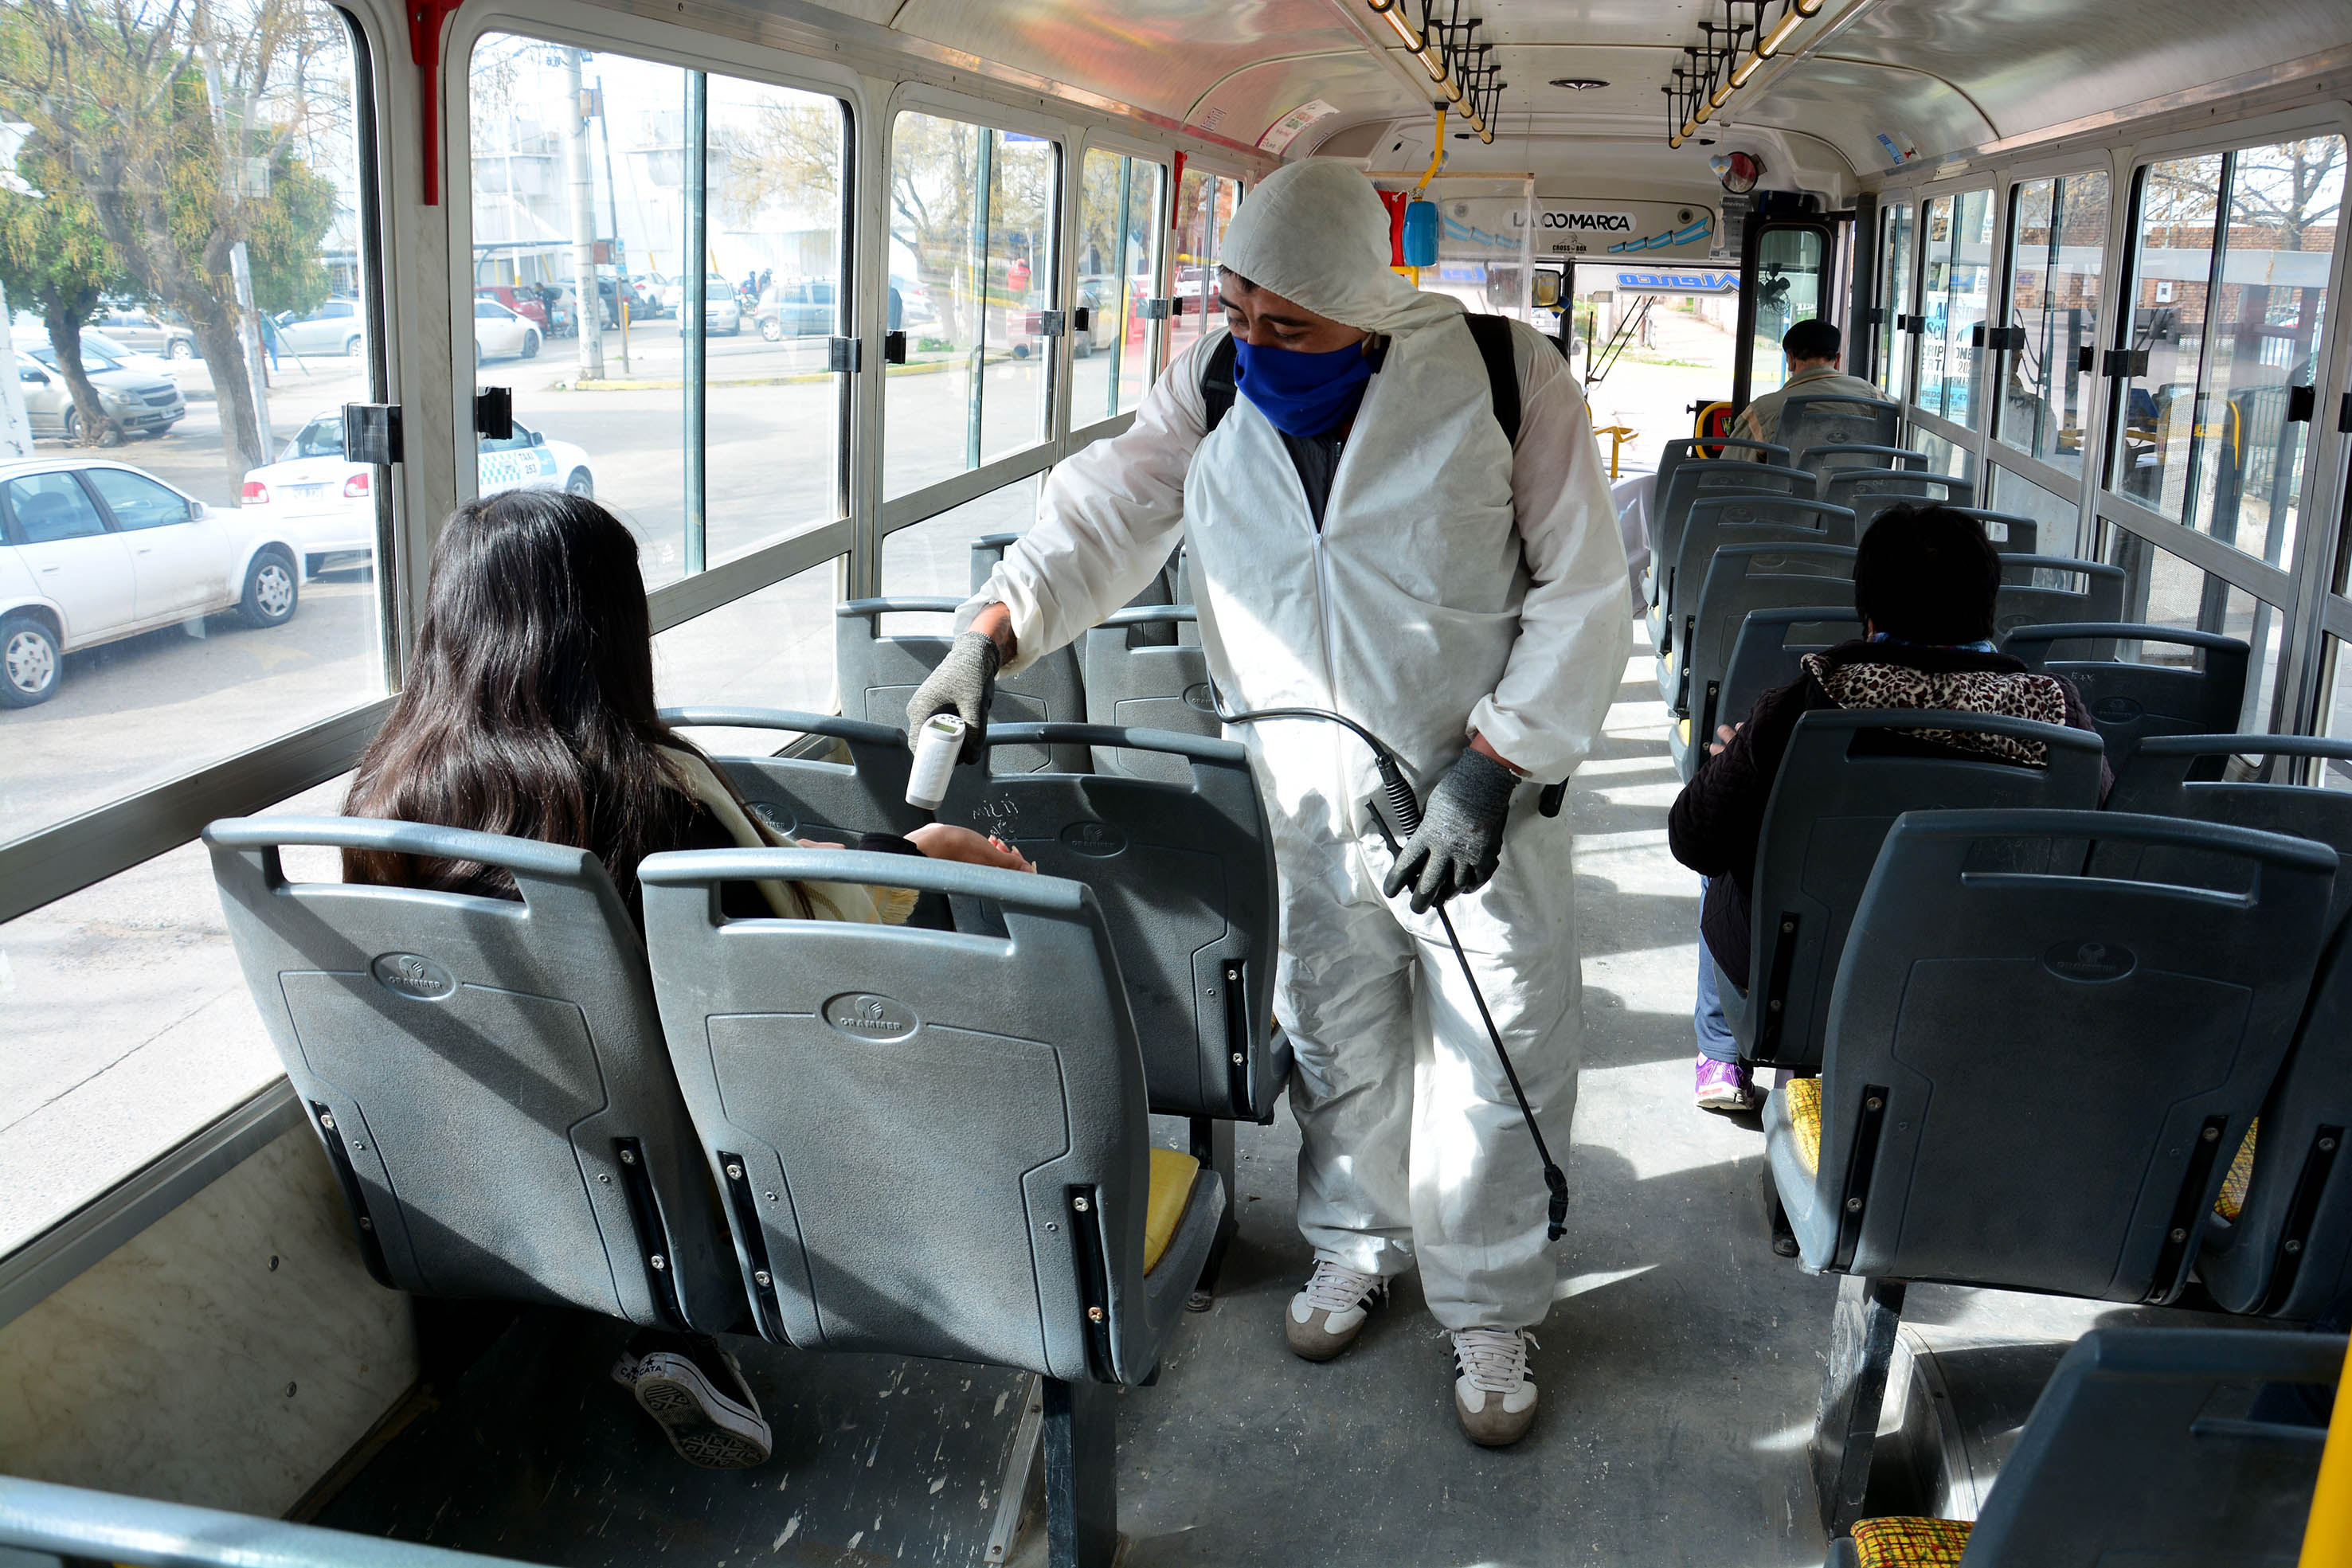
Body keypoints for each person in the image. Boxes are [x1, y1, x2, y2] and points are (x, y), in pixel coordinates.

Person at [904, 159, 1630, 1447]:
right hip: (1302, 790)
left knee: (1497, 1049)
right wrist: (993, 627)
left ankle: (1489, 1301)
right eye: (1236, 307)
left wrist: (1498, 763)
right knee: (1335, 1029)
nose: (1253, 338)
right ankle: (1353, 1240)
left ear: (1364, 301)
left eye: (1286, 321)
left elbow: (1584, 584)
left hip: (1473, 802)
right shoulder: (1214, 380)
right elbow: (1109, 508)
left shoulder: (1506, 380)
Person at [342, 489, 1031, 1468]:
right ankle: (691, 1321)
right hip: (678, 1159)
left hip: (474, 1141)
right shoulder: (651, 792)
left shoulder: (383, 795)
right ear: (611, 630)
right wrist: (923, 847)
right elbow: (797, 928)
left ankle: (655, 1339)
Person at [1666, 505, 2109, 1109]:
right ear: (1987, 607)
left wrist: (1730, 762)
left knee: (1728, 831)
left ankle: (1721, 1054)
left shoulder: (1804, 704)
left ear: (1867, 610)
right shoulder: (2057, 714)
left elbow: (1693, 839)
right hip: (1993, 985)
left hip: (1806, 989)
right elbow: (2100, 843)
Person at [1727, 319, 1884, 456]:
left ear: (1790, 359)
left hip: (1787, 490)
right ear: (1837, 359)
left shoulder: (1764, 411)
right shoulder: (1874, 397)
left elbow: (1727, 472)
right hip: (1859, 489)